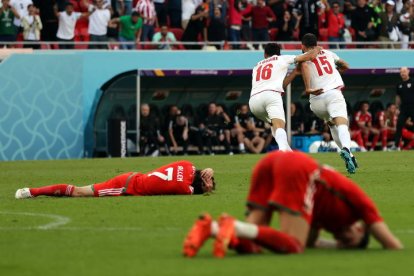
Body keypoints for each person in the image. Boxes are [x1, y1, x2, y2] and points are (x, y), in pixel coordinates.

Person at [183, 151, 403, 258]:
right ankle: (233, 224)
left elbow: (311, 242)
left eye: (344, 242)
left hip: (271, 162)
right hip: (299, 169)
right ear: (361, 227)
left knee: (252, 243)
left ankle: (210, 228)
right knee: (293, 246)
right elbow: (392, 244)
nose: (342, 238)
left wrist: (339, 246)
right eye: (350, 238)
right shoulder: (362, 207)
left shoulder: (325, 217)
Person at [248, 42, 322, 152]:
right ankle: (283, 153)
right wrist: (317, 49)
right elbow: (309, 56)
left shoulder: (257, 66)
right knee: (279, 127)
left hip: (254, 102)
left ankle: (289, 154)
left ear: (265, 54)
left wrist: (294, 73)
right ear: (279, 53)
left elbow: (281, 85)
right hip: (271, 96)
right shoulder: (281, 59)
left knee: (275, 128)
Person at [300, 33, 358, 173]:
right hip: (333, 94)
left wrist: (308, 88)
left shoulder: (303, 58)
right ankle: (346, 149)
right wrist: (336, 70)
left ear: (303, 46)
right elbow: (345, 65)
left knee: (331, 123)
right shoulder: (329, 53)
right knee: (342, 123)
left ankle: (349, 156)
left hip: (316, 101)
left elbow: (305, 67)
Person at [15, 160, 215, 198]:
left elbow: (195, 173)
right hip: (124, 187)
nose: (208, 187)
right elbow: (192, 191)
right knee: (78, 192)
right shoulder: (183, 188)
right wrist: (203, 186)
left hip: (131, 176)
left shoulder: (188, 165)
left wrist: (208, 170)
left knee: (79, 191)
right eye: (208, 184)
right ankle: (31, 192)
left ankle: (34, 192)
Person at [392, 67, 414, 150]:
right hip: (404, 108)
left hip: (413, 107)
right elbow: (398, 97)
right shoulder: (399, 84)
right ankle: (396, 145)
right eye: (401, 72)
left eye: (404, 71)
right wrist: (397, 108)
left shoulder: (412, 82)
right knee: (399, 125)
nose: (403, 73)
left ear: (408, 72)